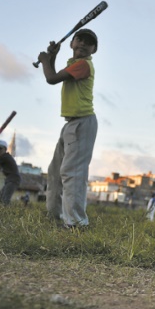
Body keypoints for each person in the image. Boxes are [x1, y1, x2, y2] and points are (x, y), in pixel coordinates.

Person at [37, 28, 99, 229]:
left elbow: (51, 79)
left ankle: (76, 224)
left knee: (73, 172)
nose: (82, 43)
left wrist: (45, 59)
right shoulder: (73, 64)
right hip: (71, 124)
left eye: (88, 42)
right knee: (55, 171)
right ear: (72, 44)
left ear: (94, 50)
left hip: (82, 123)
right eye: (79, 39)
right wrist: (53, 57)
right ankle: (54, 216)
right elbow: (55, 74)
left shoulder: (83, 65)